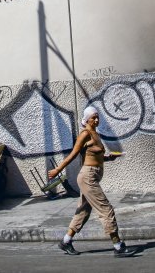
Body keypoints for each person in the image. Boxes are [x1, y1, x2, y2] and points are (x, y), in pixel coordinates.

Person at [48, 106, 136, 257]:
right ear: (87, 119)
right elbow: (73, 154)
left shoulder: (96, 134)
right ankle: (118, 246)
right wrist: (58, 169)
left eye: (97, 117)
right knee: (106, 209)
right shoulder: (85, 134)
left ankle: (66, 241)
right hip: (88, 177)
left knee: (83, 211)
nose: (96, 120)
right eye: (93, 118)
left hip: (92, 176)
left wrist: (109, 158)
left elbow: (96, 157)